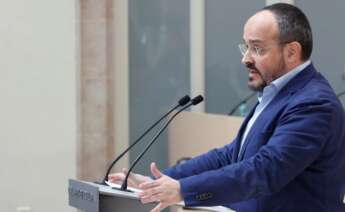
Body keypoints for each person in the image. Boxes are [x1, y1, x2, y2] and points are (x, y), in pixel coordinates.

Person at [109, 3, 345, 212]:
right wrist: (158, 182)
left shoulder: (313, 103)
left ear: (292, 52)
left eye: (258, 49)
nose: (246, 59)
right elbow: (230, 156)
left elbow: (264, 170)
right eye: (246, 48)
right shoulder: (278, 93)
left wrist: (182, 190)